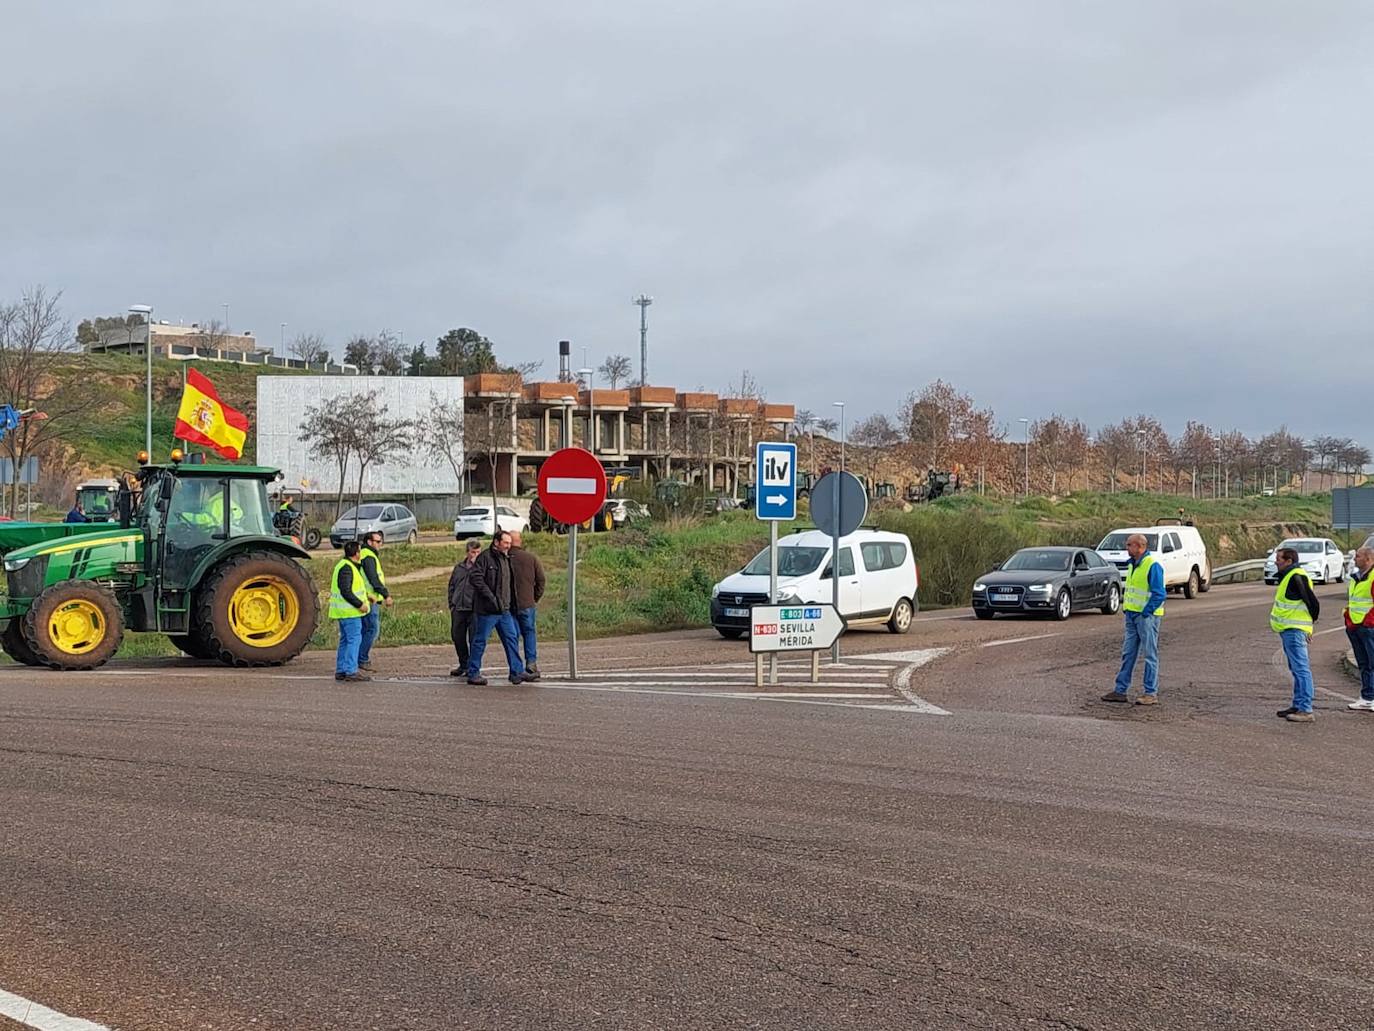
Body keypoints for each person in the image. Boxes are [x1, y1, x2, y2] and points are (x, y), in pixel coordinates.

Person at [1102, 533, 1166, 705]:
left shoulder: (1152, 565)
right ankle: (1120, 690)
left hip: (1146, 617)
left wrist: (1146, 612)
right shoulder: (1132, 564)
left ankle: (1150, 693)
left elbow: (1159, 593)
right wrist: (1127, 609)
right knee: (1128, 653)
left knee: (1150, 655)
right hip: (1132, 615)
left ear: (1140, 547)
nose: (1126, 548)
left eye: (1129, 545)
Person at [466, 530, 531, 686]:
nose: (509, 545)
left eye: (509, 542)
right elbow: (475, 578)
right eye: (506, 543)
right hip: (488, 610)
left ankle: (516, 672)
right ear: (496, 542)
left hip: (504, 610)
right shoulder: (485, 558)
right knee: (480, 641)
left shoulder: (506, 559)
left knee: (511, 639)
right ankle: (473, 673)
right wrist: (491, 598)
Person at [1271, 546, 1321, 722]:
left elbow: (1312, 603)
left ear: (1289, 561)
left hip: (1295, 630)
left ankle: (1306, 710)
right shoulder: (1289, 577)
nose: (1276, 562)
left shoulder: (1296, 576)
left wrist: (1308, 627)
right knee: (1296, 669)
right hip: (1289, 629)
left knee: (1301, 669)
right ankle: (1298, 705)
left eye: (1279, 559)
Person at [330, 540, 371, 683]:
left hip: (343, 612)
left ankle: (341, 669)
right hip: (350, 613)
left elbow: (351, 588)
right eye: (360, 550)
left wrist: (367, 596)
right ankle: (351, 670)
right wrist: (360, 605)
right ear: (356, 553)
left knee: (345, 641)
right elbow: (346, 591)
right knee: (354, 640)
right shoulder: (347, 568)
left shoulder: (345, 565)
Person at [508, 530, 546, 681]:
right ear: (520, 541)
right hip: (527, 603)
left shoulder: (505, 559)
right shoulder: (531, 558)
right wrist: (535, 597)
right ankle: (531, 663)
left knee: (513, 636)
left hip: (509, 605)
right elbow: (541, 580)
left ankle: (515, 667)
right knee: (529, 633)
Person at [356, 531, 393, 672]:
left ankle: (359, 658)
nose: (380, 544)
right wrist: (386, 595)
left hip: (367, 598)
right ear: (369, 542)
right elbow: (373, 579)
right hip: (369, 599)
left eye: (381, 541)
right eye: (377, 541)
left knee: (367, 630)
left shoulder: (366, 555)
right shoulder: (368, 556)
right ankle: (362, 659)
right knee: (372, 630)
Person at [447, 538, 483, 677]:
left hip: (474, 609)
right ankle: (463, 663)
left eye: (478, 552)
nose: (476, 555)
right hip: (459, 608)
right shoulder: (459, 568)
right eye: (473, 552)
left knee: (474, 639)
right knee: (457, 637)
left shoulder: (481, 568)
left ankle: (473, 667)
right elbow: (452, 585)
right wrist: (452, 603)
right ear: (468, 553)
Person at [1345, 547, 1374, 712]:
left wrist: (1367, 622)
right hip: (1355, 626)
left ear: (1368, 559)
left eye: (1358, 556)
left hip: (1368, 627)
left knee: (1372, 662)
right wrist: (1349, 618)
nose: (1355, 559)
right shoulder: (1356, 577)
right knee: (1364, 663)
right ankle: (1367, 697)